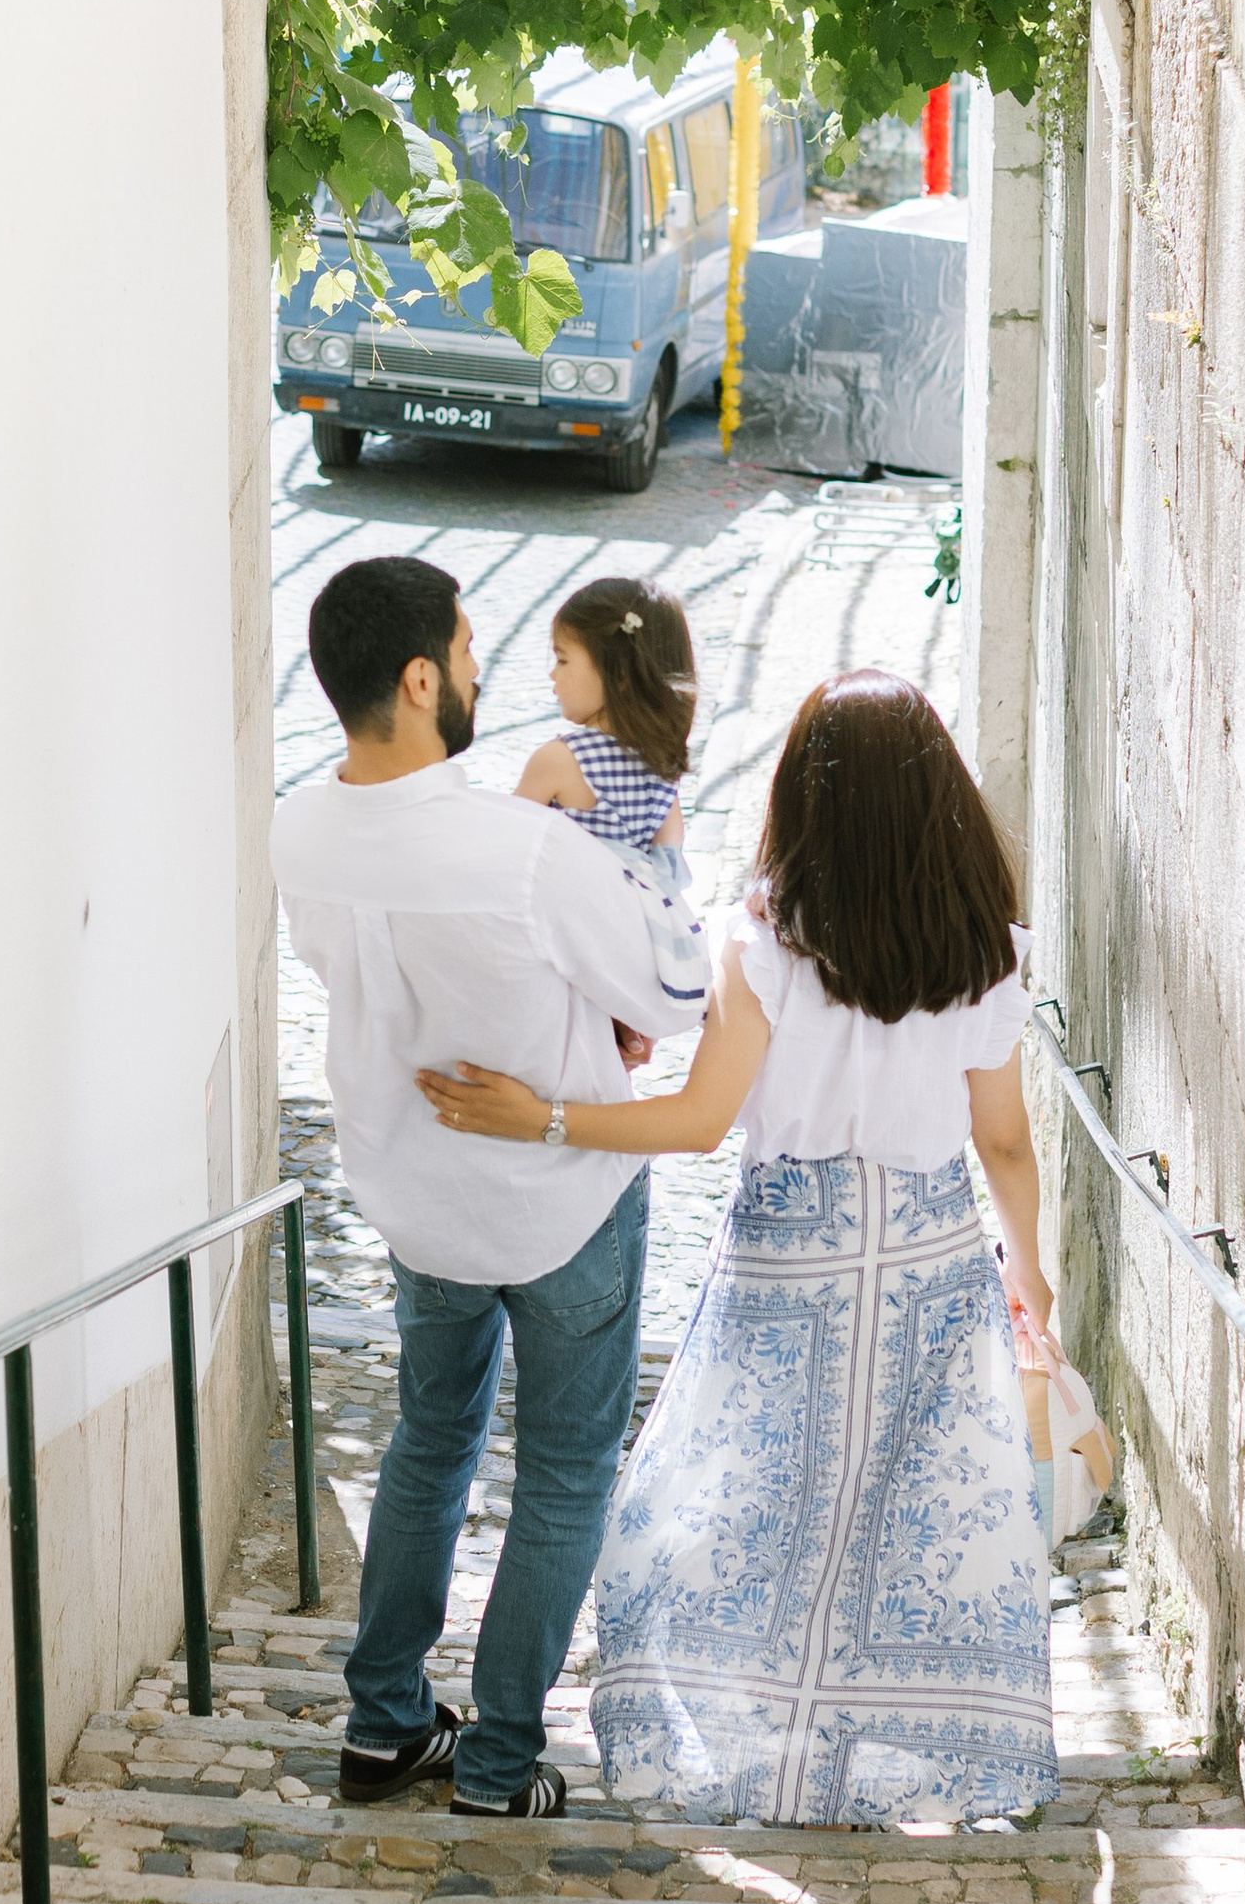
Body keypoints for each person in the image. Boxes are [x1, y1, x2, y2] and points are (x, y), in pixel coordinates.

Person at [420, 668, 1058, 1830]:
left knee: (748, 1502)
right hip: (927, 1259)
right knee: (902, 1519)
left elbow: (699, 1123)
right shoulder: (984, 956)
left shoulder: (759, 946)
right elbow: (1003, 1142)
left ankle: (761, 1746)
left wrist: (547, 1119)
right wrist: (1030, 1275)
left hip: (789, 1262)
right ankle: (870, 1758)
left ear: (801, 799)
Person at [274, 553, 709, 1818]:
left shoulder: (295, 828)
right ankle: (503, 1765)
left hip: (414, 1200)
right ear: (419, 680)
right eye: (466, 652)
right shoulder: (521, 851)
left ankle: (381, 1726)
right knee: (565, 1471)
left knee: (428, 1444)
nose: (481, 670)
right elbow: (676, 996)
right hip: (560, 1192)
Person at [513, 576, 698, 902]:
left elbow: (505, 843)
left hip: (568, 927)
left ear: (620, 673)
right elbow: (670, 859)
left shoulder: (560, 760)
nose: (552, 673)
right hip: (634, 932)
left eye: (563, 659)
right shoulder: (664, 765)